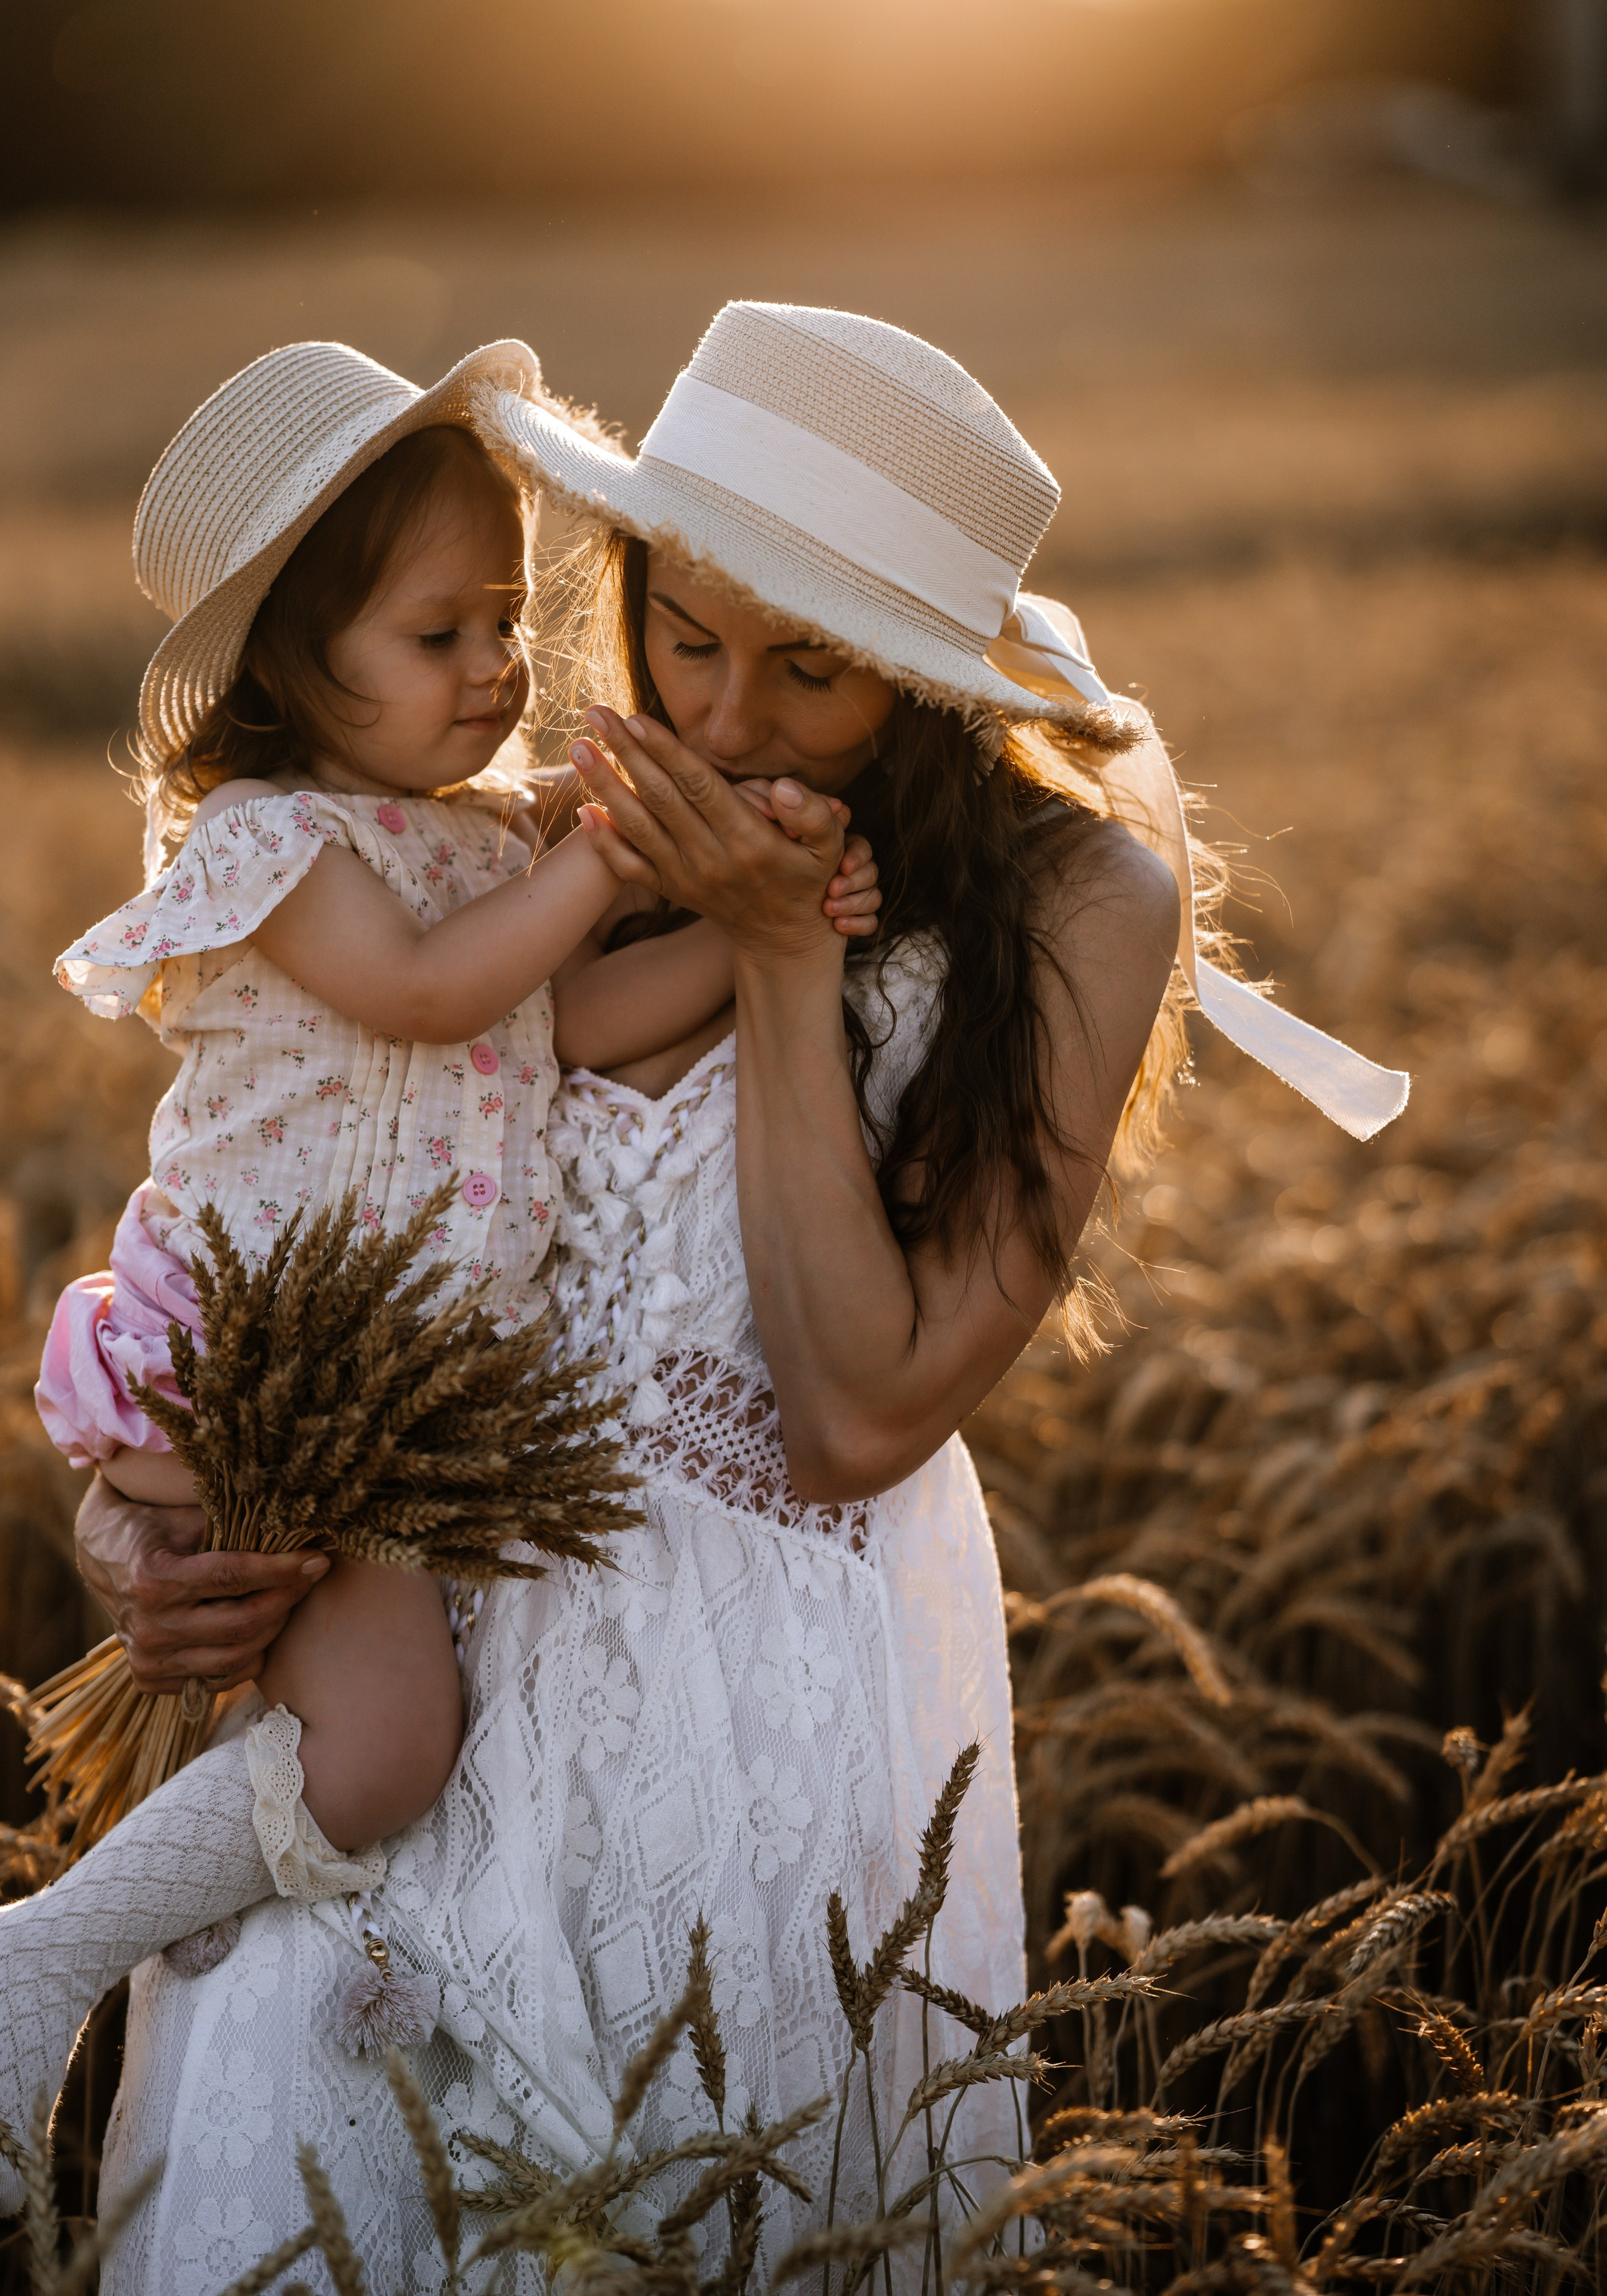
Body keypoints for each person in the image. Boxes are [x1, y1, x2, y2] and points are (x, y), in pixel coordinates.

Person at [80, 305, 1406, 2293]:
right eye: (680, 631)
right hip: (396, 1667)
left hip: (750, 1725)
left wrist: (785, 958)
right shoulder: (553, 822)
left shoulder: (1076, 906)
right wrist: (137, 1512)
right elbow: (272, 1181)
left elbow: (860, 1411)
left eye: (811, 670)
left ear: (938, 682)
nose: (720, 717)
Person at [0, 334, 878, 2217]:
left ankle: (246, 1980)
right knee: (380, 1751)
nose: (497, 671)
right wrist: (609, 857)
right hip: (270, 1360)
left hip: (380, 1385)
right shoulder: (274, 847)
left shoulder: (463, 845)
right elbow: (448, 995)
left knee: (363, 1733)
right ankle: (43, 1947)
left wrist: (783, 933)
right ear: (296, 669)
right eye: (437, 636)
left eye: (507, 622)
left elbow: (560, 1024)